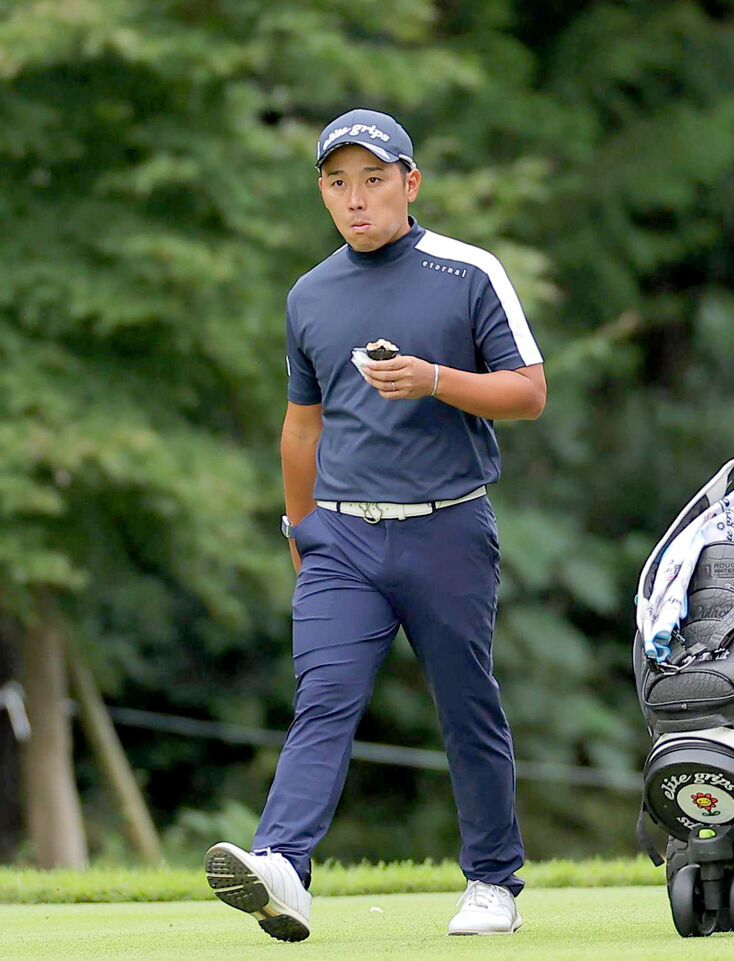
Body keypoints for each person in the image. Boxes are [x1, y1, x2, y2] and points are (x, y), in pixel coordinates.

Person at [204, 108, 546, 940]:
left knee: (467, 705)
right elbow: (302, 427)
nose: (355, 199)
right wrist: (299, 529)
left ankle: (493, 881)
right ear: (323, 193)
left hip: (449, 527)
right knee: (322, 699)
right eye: (337, 183)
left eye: (372, 179)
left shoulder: (467, 272)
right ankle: (282, 865)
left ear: (410, 183)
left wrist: (435, 378)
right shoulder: (309, 294)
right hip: (341, 537)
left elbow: (528, 391)